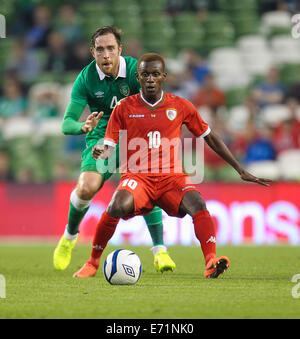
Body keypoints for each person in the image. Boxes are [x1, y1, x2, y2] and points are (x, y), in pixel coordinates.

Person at [73, 53, 272, 278]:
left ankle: (210, 261)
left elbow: (210, 137)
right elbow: (109, 144)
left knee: (197, 203)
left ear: (163, 77)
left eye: (155, 74)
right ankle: (92, 262)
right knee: (116, 205)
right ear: (137, 77)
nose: (150, 79)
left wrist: (241, 170)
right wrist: (101, 151)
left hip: (172, 178)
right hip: (138, 177)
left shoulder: (180, 106)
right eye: (145, 74)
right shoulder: (124, 107)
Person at [53, 27, 176, 273]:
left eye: (111, 48)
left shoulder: (135, 71)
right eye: (100, 49)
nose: (106, 54)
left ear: (120, 50)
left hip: (134, 137)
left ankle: (160, 250)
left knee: (148, 185)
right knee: (86, 188)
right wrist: (83, 126)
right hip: (101, 137)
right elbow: (67, 123)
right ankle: (69, 236)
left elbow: (157, 103)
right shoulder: (86, 78)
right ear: (93, 52)